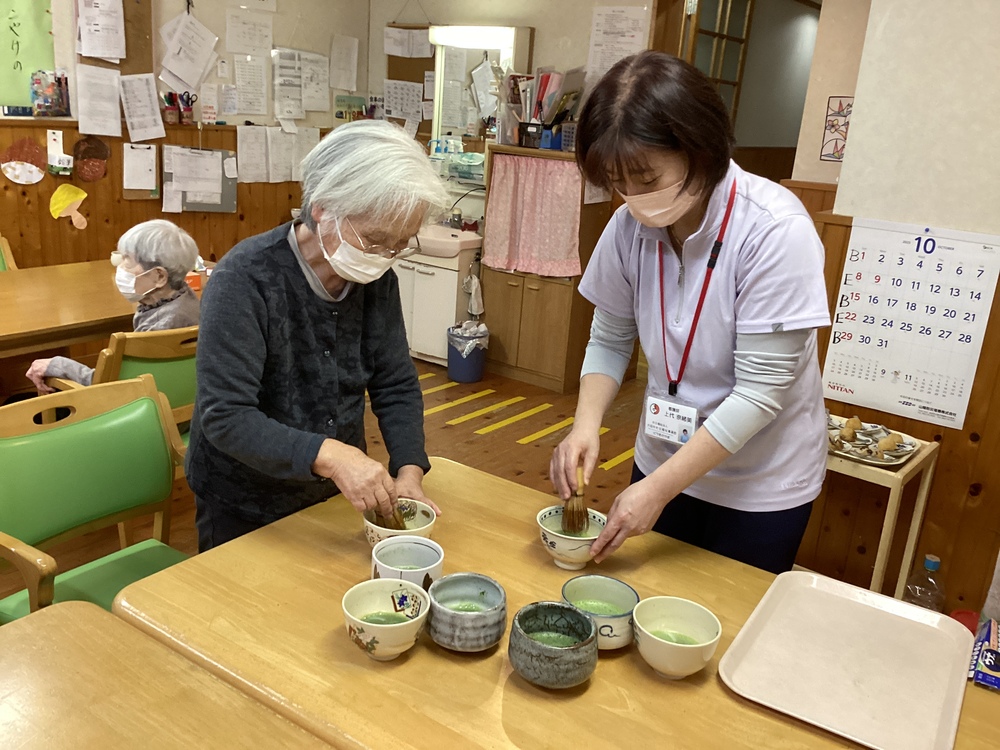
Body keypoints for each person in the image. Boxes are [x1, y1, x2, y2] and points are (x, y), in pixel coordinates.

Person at [550, 51, 830, 574]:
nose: (632, 197)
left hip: (759, 482)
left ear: (700, 151)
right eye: (617, 181)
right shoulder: (629, 227)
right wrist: (585, 426)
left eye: (646, 178)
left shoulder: (774, 231)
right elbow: (611, 339)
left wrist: (657, 488)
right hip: (664, 452)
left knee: (725, 630)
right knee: (646, 608)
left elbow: (760, 394)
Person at [186, 120, 449, 551]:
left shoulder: (376, 280)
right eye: (377, 240)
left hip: (331, 495)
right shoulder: (245, 278)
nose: (386, 256)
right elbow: (226, 416)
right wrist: (334, 455)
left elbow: (395, 382)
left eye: (400, 245)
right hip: (242, 503)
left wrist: (408, 468)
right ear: (324, 208)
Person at [25, 219, 200, 393]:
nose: (120, 268)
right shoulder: (189, 301)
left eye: (128, 261)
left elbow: (113, 389)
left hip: (143, 409)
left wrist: (57, 365)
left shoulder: (159, 331)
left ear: (160, 276)